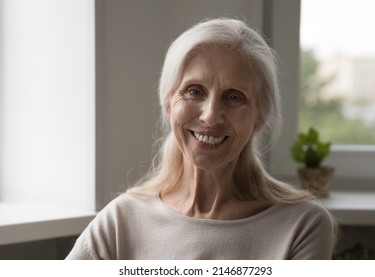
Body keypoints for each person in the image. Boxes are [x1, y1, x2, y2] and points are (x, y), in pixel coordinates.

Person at [66, 18, 337, 260]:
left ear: (259, 117)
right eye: (194, 92)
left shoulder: (303, 225)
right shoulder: (121, 220)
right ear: (169, 104)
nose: (210, 117)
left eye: (234, 97)